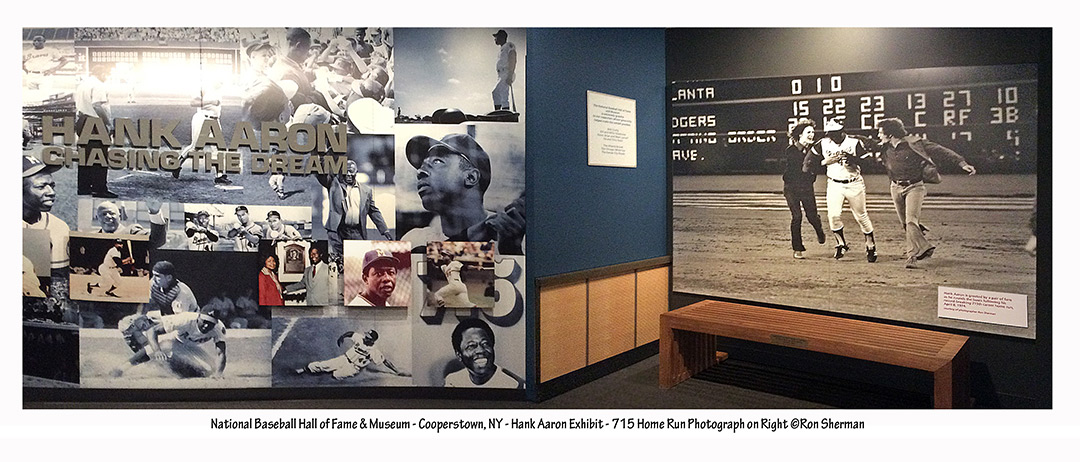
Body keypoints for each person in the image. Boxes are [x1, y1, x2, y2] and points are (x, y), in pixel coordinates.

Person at [875, 118, 977, 269]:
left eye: (880, 132)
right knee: (906, 223)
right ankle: (924, 246)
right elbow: (862, 143)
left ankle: (912, 256)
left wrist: (962, 163)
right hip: (895, 188)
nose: (878, 135)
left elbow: (942, 151)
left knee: (911, 220)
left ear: (890, 134)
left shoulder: (915, 143)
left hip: (915, 187)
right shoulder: (884, 147)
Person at [402, 133, 525, 254]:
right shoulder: (416, 240)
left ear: (471, 177)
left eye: (437, 161)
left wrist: (512, 251)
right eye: (421, 166)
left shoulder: (519, 236)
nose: (419, 172)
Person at [817, 118, 876, 262]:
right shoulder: (824, 143)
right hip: (834, 184)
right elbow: (809, 163)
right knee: (833, 216)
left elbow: (870, 163)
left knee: (861, 216)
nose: (832, 137)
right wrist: (825, 162)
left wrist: (854, 159)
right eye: (830, 133)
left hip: (853, 183)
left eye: (835, 133)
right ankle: (841, 243)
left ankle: (870, 244)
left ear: (842, 131)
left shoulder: (854, 143)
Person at [113, 310, 227, 379]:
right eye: (205, 321)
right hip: (174, 338)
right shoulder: (185, 319)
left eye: (211, 323)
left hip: (190, 346)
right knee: (158, 348)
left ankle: (171, 368)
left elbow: (221, 353)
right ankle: (121, 368)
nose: (207, 326)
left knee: (210, 370)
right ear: (198, 317)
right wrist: (157, 350)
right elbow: (152, 331)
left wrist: (218, 373)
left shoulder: (218, 329)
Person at [318, 159, 393, 260]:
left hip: (357, 232)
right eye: (346, 171)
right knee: (338, 261)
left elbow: (373, 211)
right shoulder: (334, 185)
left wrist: (384, 230)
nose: (348, 174)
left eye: (351, 171)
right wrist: (322, 158)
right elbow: (322, 175)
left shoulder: (366, 190)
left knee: (358, 260)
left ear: (356, 172)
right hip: (339, 231)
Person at [783, 118, 827, 259]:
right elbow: (801, 168)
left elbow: (817, 167)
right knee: (797, 217)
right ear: (800, 135)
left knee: (812, 216)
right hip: (791, 188)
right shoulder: (791, 151)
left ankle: (819, 230)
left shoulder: (814, 150)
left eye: (812, 132)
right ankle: (798, 248)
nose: (811, 134)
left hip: (806, 188)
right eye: (808, 132)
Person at [294, 329, 409, 380]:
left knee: (336, 375)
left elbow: (385, 362)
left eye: (368, 338)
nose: (365, 337)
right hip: (344, 359)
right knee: (323, 365)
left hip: (354, 368)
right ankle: (304, 369)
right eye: (366, 336)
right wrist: (342, 337)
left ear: (372, 341)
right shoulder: (360, 338)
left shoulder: (374, 351)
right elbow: (351, 333)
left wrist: (397, 371)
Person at [74, 64, 117, 198]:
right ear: (102, 73)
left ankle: (84, 187)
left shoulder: (83, 84)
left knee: (85, 156)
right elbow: (97, 105)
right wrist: (108, 123)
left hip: (82, 119)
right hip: (94, 122)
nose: (108, 77)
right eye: (107, 74)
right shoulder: (98, 85)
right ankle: (99, 189)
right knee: (99, 156)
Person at [175, 83, 231, 184]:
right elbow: (193, 102)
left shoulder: (218, 89)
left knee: (218, 148)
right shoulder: (204, 87)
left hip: (215, 120)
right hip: (202, 119)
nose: (222, 82)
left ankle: (220, 175)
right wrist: (211, 101)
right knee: (195, 147)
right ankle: (177, 164)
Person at [444, 317, 523, 388]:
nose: (480, 350)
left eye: (485, 344)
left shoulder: (513, 384)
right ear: (459, 355)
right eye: (471, 346)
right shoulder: (453, 382)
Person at [23, 156, 70, 274]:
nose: (51, 192)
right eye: (41, 186)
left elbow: (59, 278)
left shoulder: (58, 227)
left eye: (52, 186)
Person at [94, 200, 167, 248]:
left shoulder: (132, 232)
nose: (108, 217)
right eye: (103, 214)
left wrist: (154, 213)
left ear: (119, 215)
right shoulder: (93, 240)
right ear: (97, 218)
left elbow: (157, 241)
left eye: (111, 213)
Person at [491, 30, 517, 111]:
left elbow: (513, 58)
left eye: (497, 37)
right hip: (500, 74)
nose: (495, 39)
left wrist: (510, 74)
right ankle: (499, 112)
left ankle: (503, 112)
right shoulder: (502, 48)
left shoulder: (508, 45)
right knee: (498, 93)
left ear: (502, 37)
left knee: (500, 93)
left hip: (506, 72)